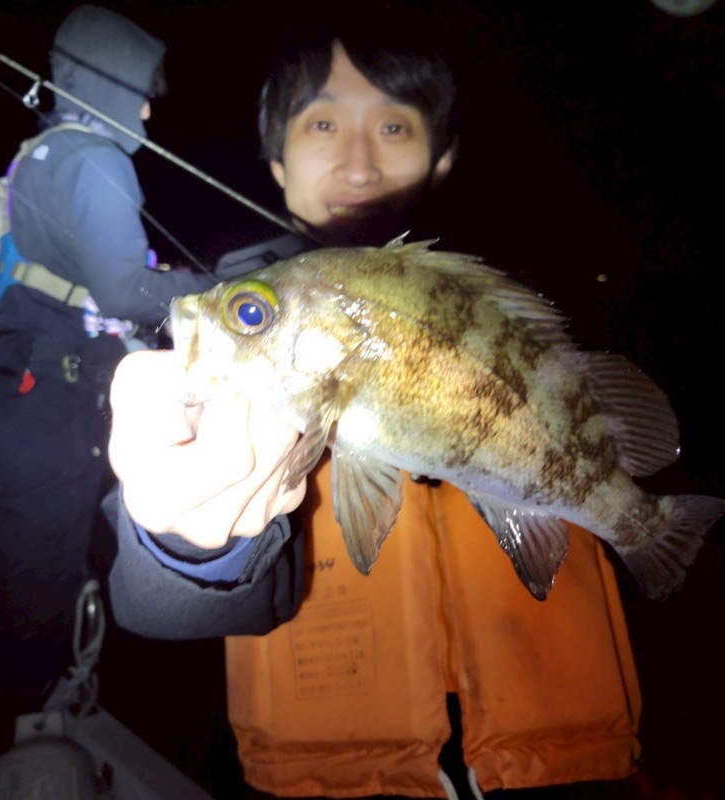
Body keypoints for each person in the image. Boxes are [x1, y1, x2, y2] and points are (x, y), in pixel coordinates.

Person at [106, 13, 641, 800]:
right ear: (275, 160)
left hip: (562, 772)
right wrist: (179, 540)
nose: (358, 161)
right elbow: (149, 606)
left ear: (443, 155)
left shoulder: (526, 310)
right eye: (322, 123)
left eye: (394, 125)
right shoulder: (237, 362)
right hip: (336, 781)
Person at [0, 8, 305, 793]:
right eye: (138, 90)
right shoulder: (97, 157)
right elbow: (127, 292)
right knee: (35, 590)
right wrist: (225, 292)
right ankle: (19, 742)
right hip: (47, 409)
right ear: (109, 80)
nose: (147, 111)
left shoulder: (38, 151)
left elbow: (79, 273)